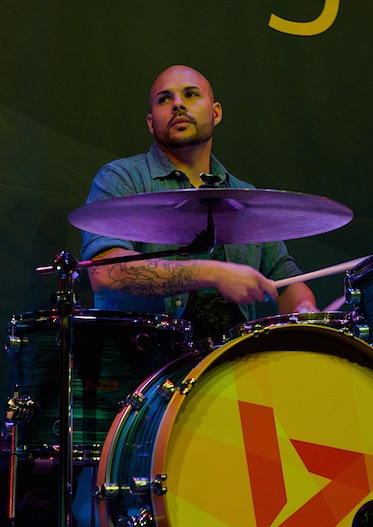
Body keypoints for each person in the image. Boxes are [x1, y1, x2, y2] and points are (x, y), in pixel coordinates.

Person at [79, 64, 316, 342]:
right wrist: (208, 273)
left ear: (216, 113)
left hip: (234, 371)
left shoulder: (244, 195)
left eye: (191, 95)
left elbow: (286, 282)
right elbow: (105, 274)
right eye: (164, 99)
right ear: (151, 122)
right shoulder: (123, 179)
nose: (178, 104)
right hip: (149, 371)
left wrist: (303, 310)